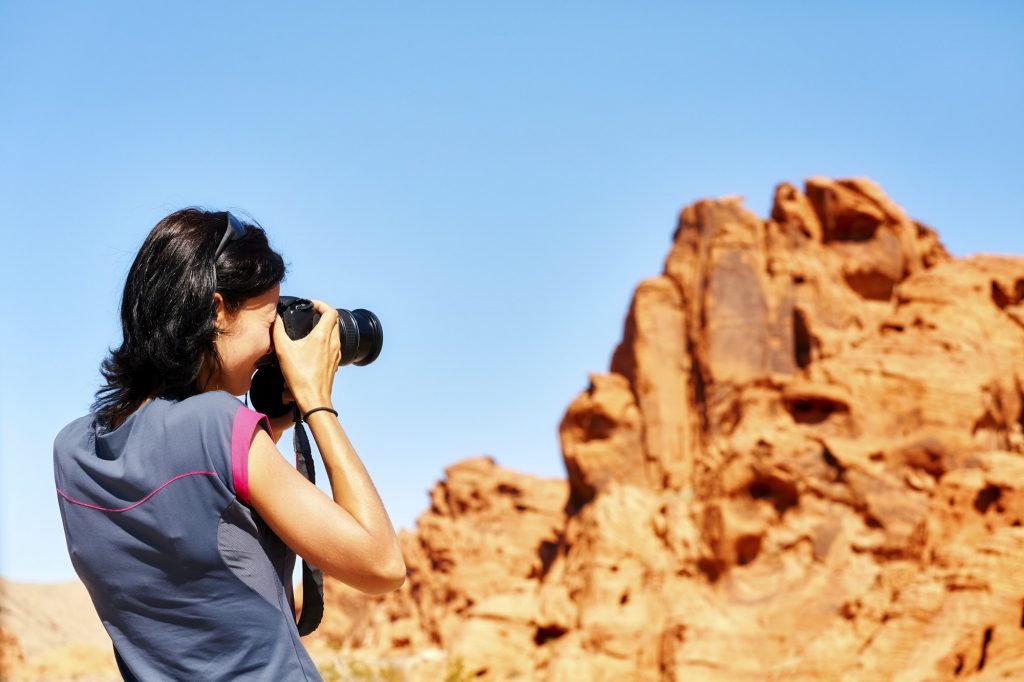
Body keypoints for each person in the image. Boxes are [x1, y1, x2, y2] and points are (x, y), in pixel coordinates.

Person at [52, 208, 405, 681]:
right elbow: (380, 565)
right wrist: (316, 402)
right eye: (269, 321)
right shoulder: (217, 424)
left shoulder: (73, 450)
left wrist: (266, 432)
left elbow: (203, 535)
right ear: (217, 310)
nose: (274, 344)